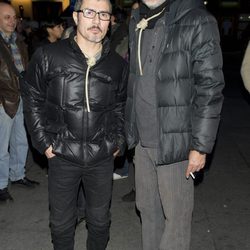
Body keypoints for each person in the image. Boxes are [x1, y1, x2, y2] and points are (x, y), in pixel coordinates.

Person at [21, 0, 128, 249]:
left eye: (104, 14)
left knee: (100, 222)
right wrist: (43, 142)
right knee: (61, 224)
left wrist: (118, 142)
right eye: (90, 12)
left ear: (110, 21)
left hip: (101, 157)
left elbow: (121, 106)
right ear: (77, 17)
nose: (96, 20)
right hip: (62, 155)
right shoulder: (49, 56)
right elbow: (32, 97)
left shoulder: (118, 65)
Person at [125, 0, 225, 249]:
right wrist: (128, 131)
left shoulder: (197, 19)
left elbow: (210, 87)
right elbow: (134, 80)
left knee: (176, 219)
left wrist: (200, 146)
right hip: (142, 140)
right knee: (147, 211)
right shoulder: (138, 20)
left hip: (176, 142)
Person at [0, 2, 39, 202]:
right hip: (3, 100)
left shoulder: (18, 41)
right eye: (7, 17)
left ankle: (17, 175)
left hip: (20, 97)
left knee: (21, 140)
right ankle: (0, 185)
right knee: (1, 146)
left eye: (13, 17)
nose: (12, 20)